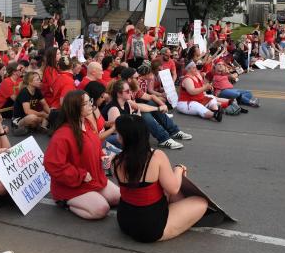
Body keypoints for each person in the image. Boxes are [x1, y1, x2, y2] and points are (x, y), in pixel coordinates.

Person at [113, 114, 208, 242]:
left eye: (118, 134)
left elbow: (131, 189)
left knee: (159, 190)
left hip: (124, 222)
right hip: (150, 228)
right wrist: (179, 169)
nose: (117, 137)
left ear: (123, 138)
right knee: (201, 203)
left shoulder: (116, 161)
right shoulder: (156, 156)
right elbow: (173, 188)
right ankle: (176, 219)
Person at [44, 90, 120, 219]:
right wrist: (80, 175)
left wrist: (102, 156)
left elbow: (94, 145)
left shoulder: (87, 123)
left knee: (117, 198)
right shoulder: (62, 135)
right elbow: (52, 164)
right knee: (101, 209)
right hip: (72, 185)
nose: (91, 104)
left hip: (93, 178)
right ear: (75, 108)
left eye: (90, 101)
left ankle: (92, 197)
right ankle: (65, 202)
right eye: (86, 103)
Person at [12, 72, 50, 136]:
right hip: (19, 119)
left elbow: (44, 104)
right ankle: (18, 127)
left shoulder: (37, 90)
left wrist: (50, 114)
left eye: (39, 79)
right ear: (30, 82)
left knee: (51, 111)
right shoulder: (24, 92)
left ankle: (41, 127)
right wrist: (43, 114)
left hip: (30, 116)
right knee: (33, 117)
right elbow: (27, 111)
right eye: (37, 80)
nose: (40, 81)